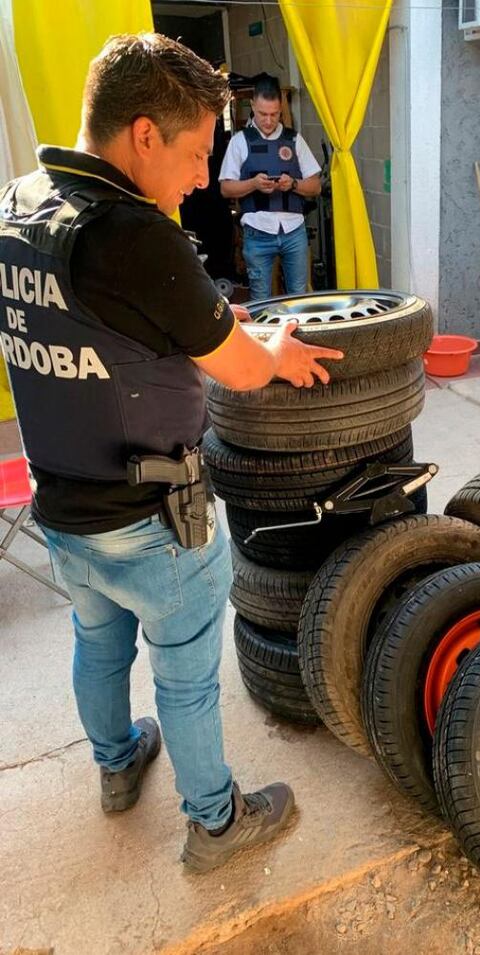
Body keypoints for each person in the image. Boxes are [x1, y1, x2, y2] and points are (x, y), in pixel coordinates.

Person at [0, 33, 342, 874]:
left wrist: (233, 335)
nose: (200, 176)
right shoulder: (133, 237)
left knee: (97, 642)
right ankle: (217, 824)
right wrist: (275, 352)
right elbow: (235, 364)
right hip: (152, 519)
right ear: (143, 134)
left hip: (63, 510)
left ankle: (118, 767)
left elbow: (114, 328)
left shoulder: (20, 204)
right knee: (186, 677)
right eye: (194, 153)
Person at [219, 72, 321, 302]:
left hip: (294, 230)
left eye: (274, 114)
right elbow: (226, 188)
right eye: (263, 114)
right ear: (253, 105)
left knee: (299, 298)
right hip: (257, 231)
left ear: (280, 108)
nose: (268, 120)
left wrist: (293, 184)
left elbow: (315, 185)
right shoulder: (240, 141)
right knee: (261, 300)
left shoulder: (294, 139)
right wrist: (253, 184)